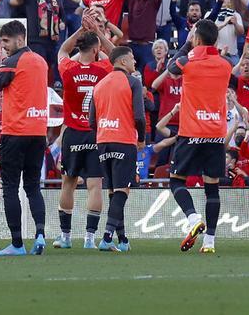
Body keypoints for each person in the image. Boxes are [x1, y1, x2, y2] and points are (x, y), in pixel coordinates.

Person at [164, 19, 235, 254]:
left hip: (191, 132)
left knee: (176, 180)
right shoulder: (225, 65)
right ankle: (210, 242)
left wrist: (186, 46)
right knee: (212, 188)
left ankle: (193, 219)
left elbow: (171, 69)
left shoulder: (187, 62)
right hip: (215, 133)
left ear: (196, 38)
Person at [0, 20, 50, 256]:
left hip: (15, 132)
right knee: (32, 186)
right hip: (38, 131)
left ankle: (17, 244)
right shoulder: (40, 61)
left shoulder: (11, 62)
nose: (3, 46)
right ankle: (40, 234)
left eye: (5, 41)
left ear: (20, 39)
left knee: (10, 187)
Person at [54, 29, 112, 249]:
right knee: (95, 184)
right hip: (95, 133)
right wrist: (98, 32)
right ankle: (89, 238)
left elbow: (62, 49)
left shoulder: (68, 68)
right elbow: (116, 54)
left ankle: (66, 237)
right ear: (96, 49)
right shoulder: (103, 69)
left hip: (73, 133)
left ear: (79, 48)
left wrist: (80, 29)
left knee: (68, 183)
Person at [89, 46, 147, 252]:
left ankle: (122, 240)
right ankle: (106, 237)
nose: (135, 63)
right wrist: (142, 139)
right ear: (123, 62)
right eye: (132, 59)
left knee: (114, 192)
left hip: (103, 141)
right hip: (124, 140)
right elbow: (139, 116)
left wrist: (105, 130)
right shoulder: (133, 82)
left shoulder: (99, 84)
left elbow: (91, 121)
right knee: (123, 190)